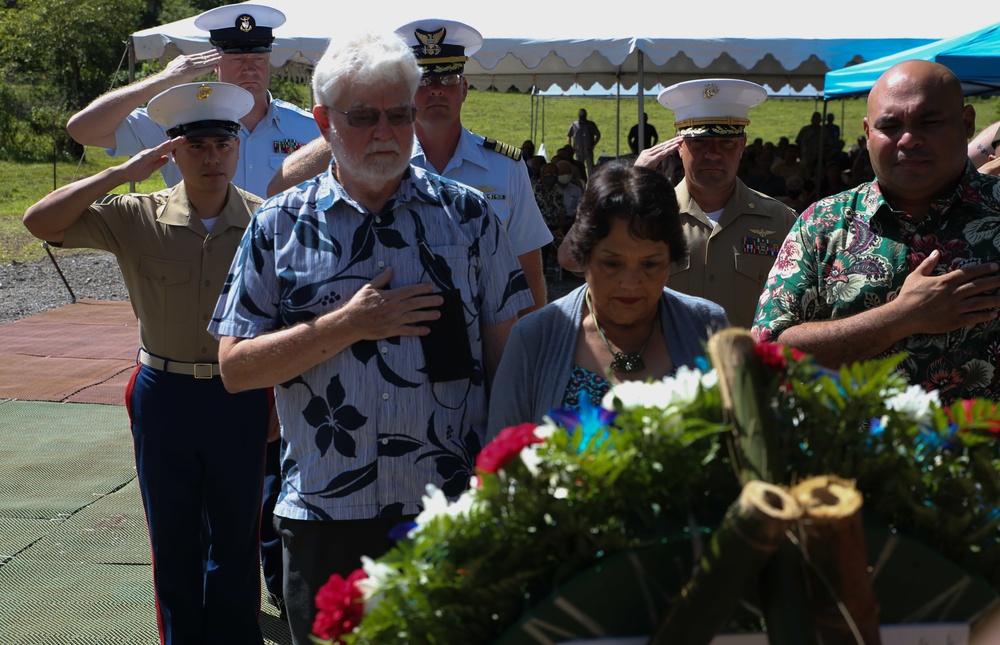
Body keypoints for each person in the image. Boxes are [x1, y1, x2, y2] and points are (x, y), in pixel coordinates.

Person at [208, 30, 532, 645]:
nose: (385, 132)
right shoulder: (279, 225)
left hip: (446, 508)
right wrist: (348, 325)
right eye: (364, 117)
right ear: (325, 121)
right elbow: (236, 368)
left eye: (398, 115)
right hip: (325, 516)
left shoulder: (469, 217)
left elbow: (508, 362)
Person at [23, 82, 270, 644]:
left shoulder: (265, 220)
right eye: (197, 145)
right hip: (166, 392)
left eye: (222, 145)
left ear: (236, 149)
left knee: (237, 537)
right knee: (174, 536)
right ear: (172, 151)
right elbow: (41, 222)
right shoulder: (137, 215)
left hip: (240, 392)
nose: (211, 158)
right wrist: (118, 174)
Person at [263, 19, 550, 318]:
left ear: (464, 89)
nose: (437, 91)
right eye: (424, 81)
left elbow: (527, 275)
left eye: (448, 78)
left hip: (479, 340)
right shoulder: (378, 158)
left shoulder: (504, 167)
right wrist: (355, 123)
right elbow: (280, 187)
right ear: (406, 93)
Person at [752, 60, 1000, 402]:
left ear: (967, 122)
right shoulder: (822, 224)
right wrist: (901, 317)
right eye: (890, 126)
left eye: (929, 122)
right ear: (868, 133)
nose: (909, 139)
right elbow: (768, 354)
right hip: (855, 454)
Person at [489, 161, 729, 431]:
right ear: (583, 255)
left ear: (671, 258)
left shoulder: (708, 326)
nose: (630, 283)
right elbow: (501, 458)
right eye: (612, 264)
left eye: (650, 264)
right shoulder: (534, 338)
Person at [561, 79, 797, 330]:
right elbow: (570, 258)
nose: (713, 153)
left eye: (726, 142)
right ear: (679, 144)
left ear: (742, 144)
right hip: (666, 368)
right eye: (700, 141)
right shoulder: (646, 214)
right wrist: (623, 189)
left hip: (745, 366)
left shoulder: (779, 219)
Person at [66, 3, 319, 198]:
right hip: (200, 260)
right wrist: (163, 80)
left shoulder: (308, 127)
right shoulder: (181, 118)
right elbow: (83, 130)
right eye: (237, 59)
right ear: (215, 63)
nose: (249, 69)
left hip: (276, 260)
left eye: (258, 58)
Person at [533, 162, 567, 270]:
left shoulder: (558, 192)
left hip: (554, 227)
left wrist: (560, 228)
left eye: (555, 173)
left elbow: (562, 213)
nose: (552, 176)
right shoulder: (534, 191)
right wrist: (548, 232)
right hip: (537, 229)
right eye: (548, 173)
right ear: (542, 174)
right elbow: (532, 217)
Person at [567, 108, 601, 178]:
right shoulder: (574, 125)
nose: (582, 117)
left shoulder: (591, 125)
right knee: (579, 170)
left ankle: (591, 184)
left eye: (583, 115)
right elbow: (569, 135)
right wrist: (570, 146)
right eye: (581, 115)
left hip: (588, 150)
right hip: (578, 151)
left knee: (591, 169)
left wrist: (594, 145)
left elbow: (598, 135)